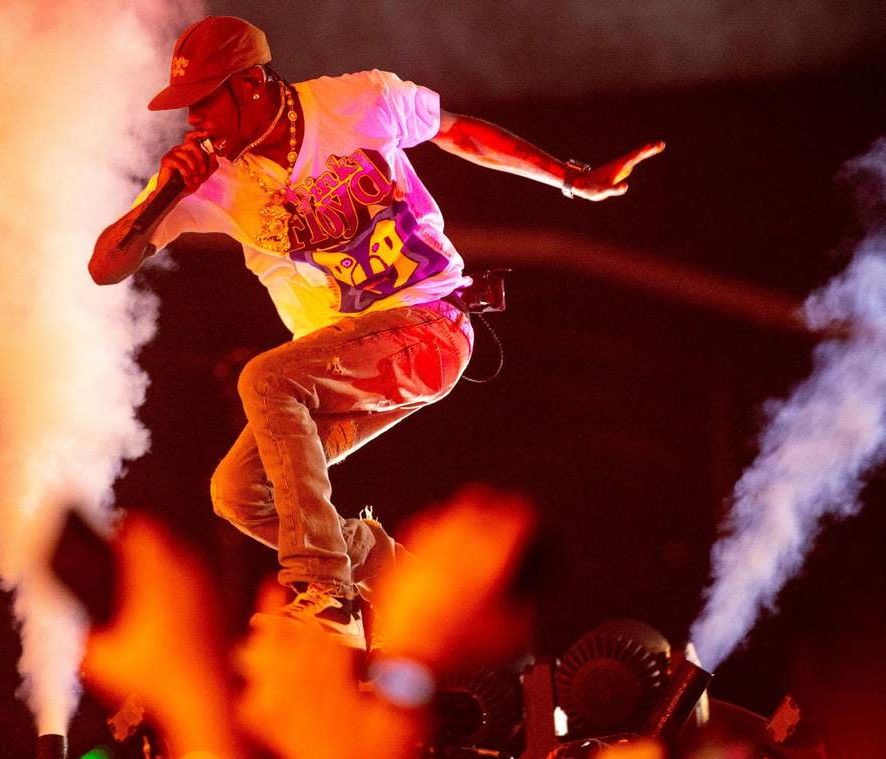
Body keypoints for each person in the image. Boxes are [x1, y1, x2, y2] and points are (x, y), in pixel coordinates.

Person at [89, 15, 663, 649]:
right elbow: (106, 267)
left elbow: (460, 134)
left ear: (250, 84)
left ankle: (327, 594)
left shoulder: (357, 101)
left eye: (204, 100)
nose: (194, 119)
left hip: (430, 325)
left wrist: (571, 177)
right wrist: (165, 193)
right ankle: (394, 579)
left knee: (267, 377)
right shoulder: (212, 181)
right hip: (345, 367)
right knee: (238, 492)